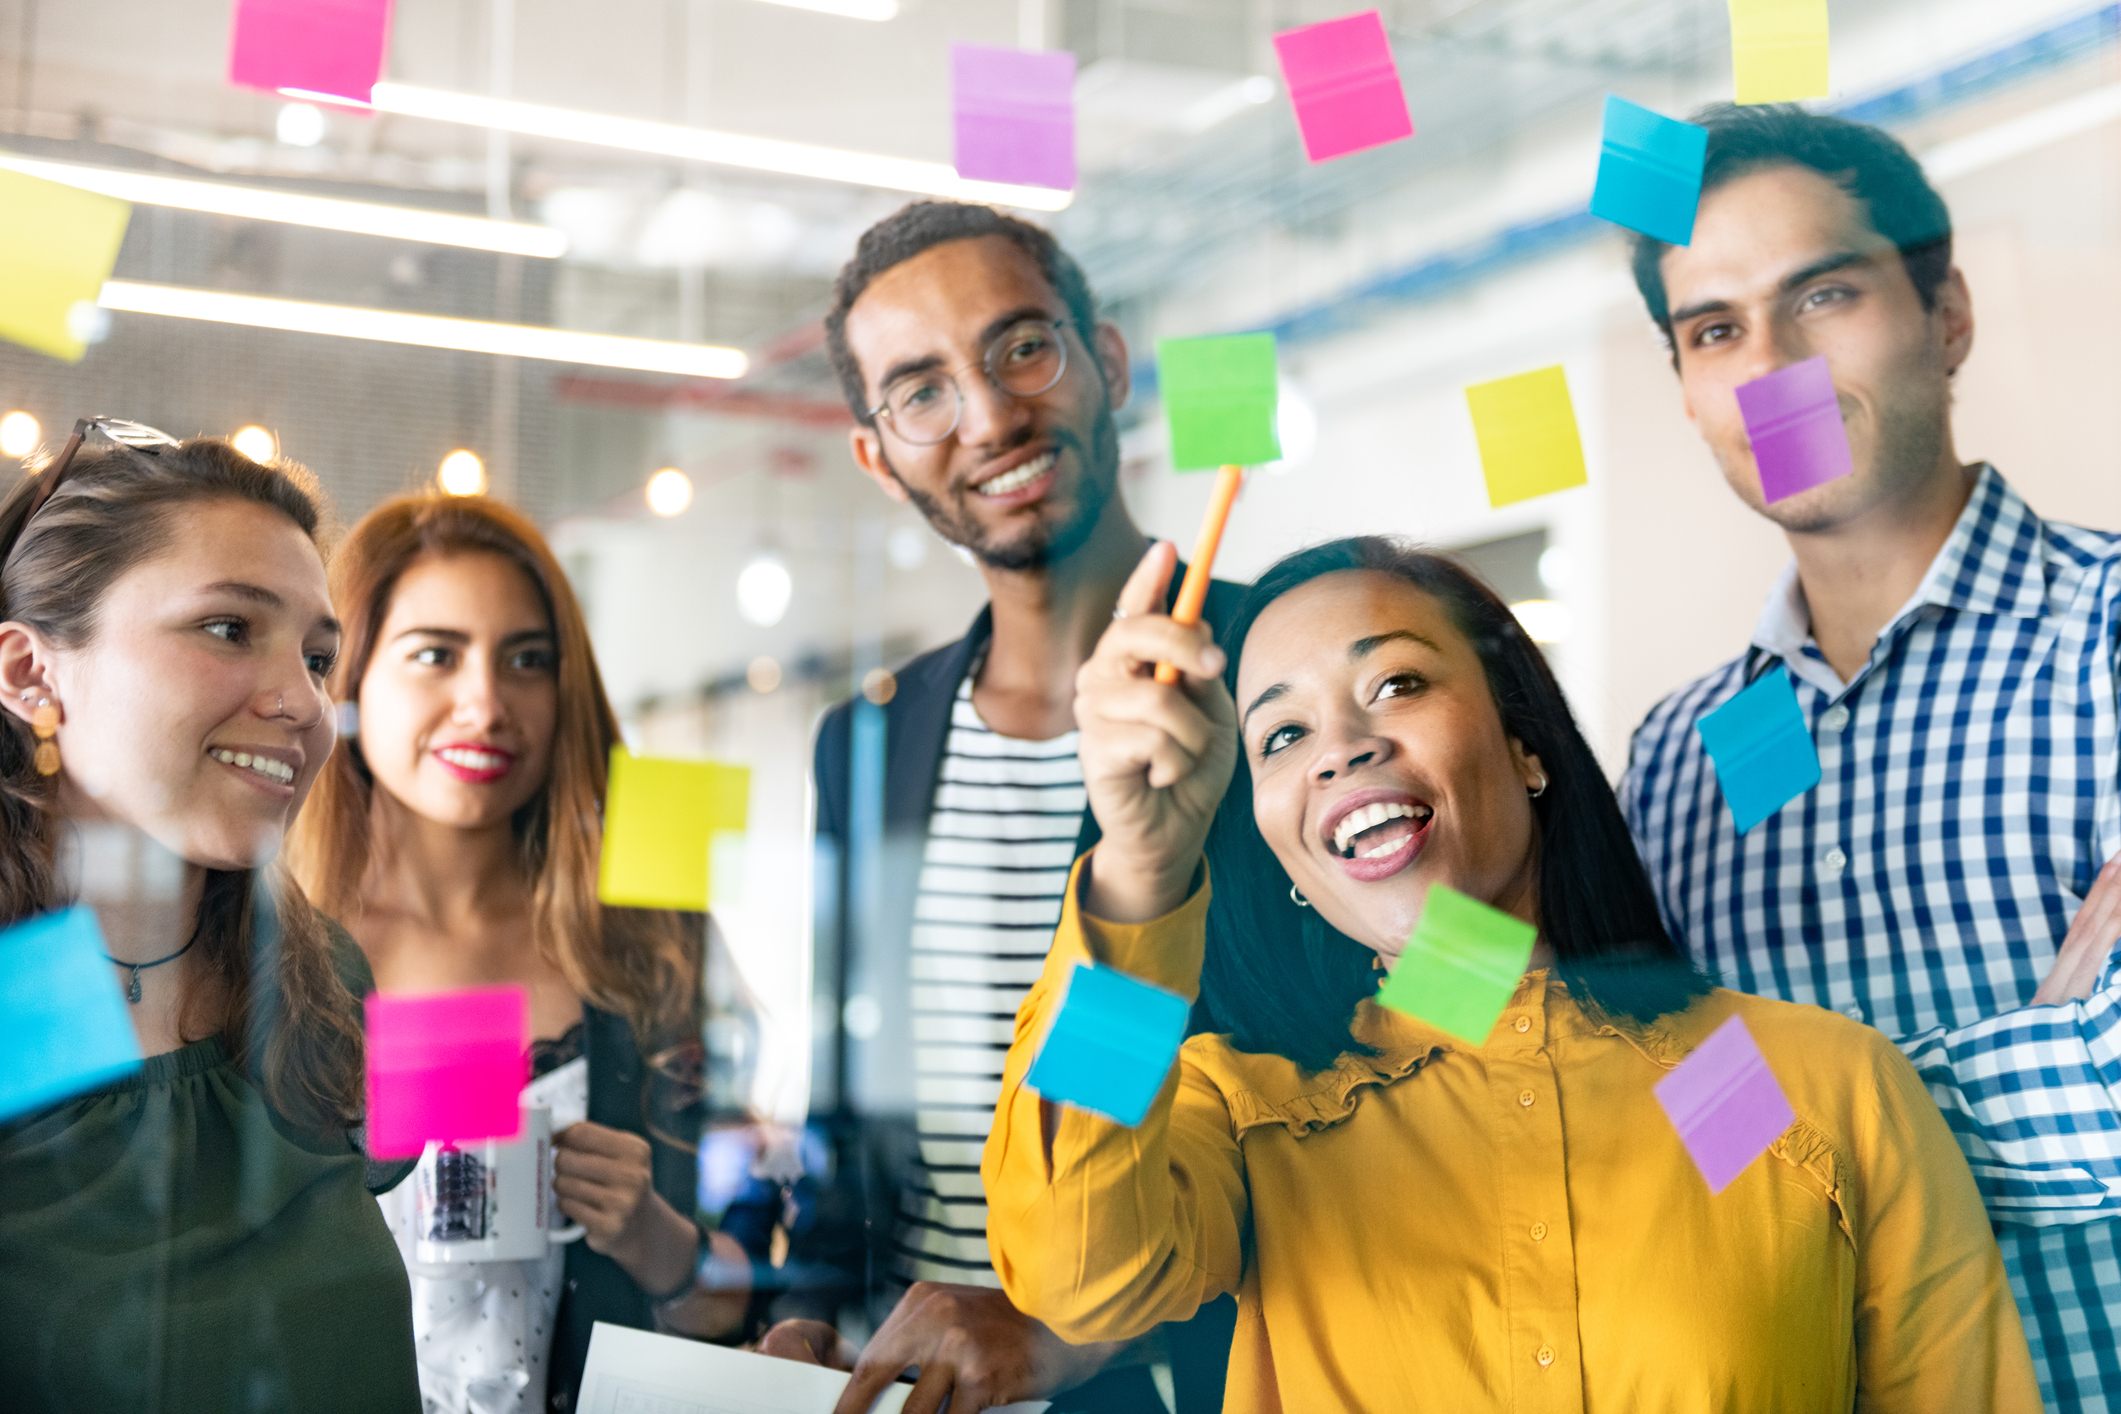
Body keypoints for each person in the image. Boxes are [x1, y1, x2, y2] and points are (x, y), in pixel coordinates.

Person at [982, 534, 2039, 1412]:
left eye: (1395, 682)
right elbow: (1078, 1269)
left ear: (1526, 747)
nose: (1341, 748)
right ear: (1286, 857)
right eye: (1283, 734)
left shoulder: (1787, 1090)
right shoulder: (1251, 1121)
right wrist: (1142, 871)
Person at [1617, 103, 2121, 1411]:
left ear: (1946, 311)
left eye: (1821, 294)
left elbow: (1727, 1147)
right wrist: (2054, 1052)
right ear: (1681, 384)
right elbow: (1652, 1125)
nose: (1770, 371)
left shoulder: (2108, 634)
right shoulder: (1676, 762)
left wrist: (1799, 1142)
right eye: (1714, 328)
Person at [777, 201, 1244, 1413]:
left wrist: (1069, 1334)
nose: (987, 417)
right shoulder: (869, 739)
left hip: (1186, 1383)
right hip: (910, 1384)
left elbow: (1386, 1077)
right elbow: (849, 1098)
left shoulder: (1282, 672)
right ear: (879, 456)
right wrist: (805, 1308)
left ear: (1110, 361)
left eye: (1021, 348)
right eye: (920, 391)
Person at [284, 494, 752, 1414]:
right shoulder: (273, 946)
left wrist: (656, 1240)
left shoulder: (657, 940)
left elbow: (774, 1295)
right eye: (435, 654)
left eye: (526, 660)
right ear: (348, 678)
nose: (486, 704)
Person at [0, 422, 419, 1411]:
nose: (305, 705)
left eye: (318, 658)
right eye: (230, 628)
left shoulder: (325, 978)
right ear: (29, 674)